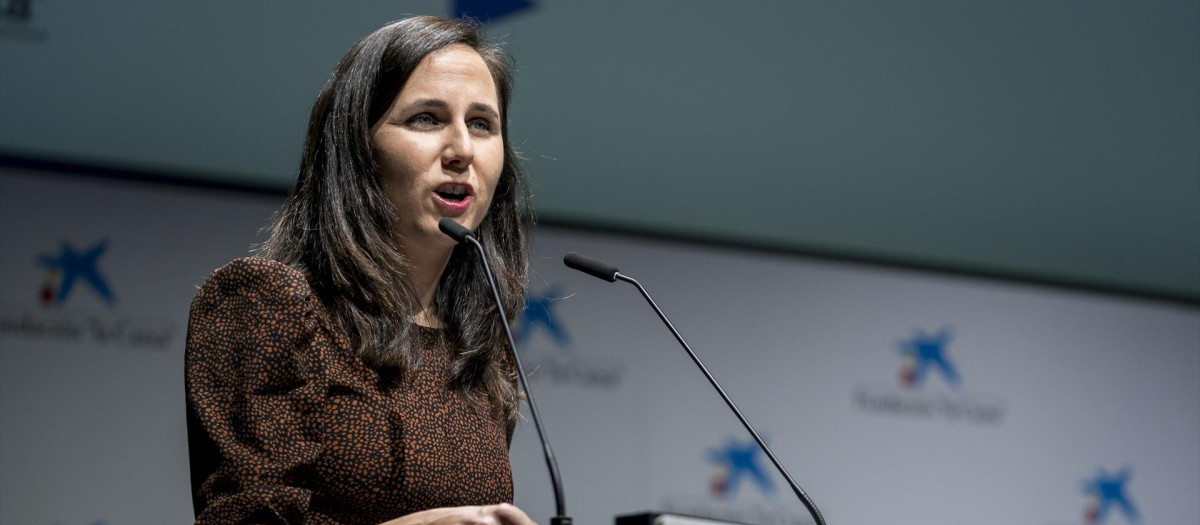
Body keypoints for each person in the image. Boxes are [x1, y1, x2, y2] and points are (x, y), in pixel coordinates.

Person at [184, 16, 539, 525]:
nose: (463, 150)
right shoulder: (267, 303)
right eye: (426, 119)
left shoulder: (476, 347)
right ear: (359, 147)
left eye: (482, 124)